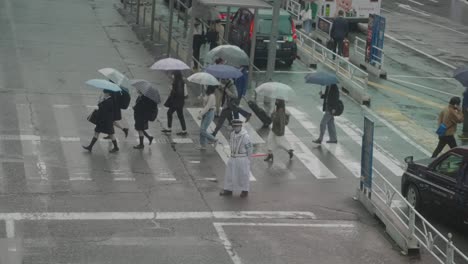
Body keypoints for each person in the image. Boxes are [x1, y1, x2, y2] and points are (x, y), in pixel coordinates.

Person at [220, 119, 252, 198]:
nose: (235, 128)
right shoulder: (232, 134)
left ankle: (245, 190)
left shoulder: (246, 136)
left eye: (237, 126)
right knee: (229, 174)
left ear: (240, 126)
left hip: (242, 157)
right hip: (233, 157)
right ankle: (228, 189)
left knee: (243, 175)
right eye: (234, 126)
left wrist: (248, 159)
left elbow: (250, 149)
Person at [162, 70, 187, 135]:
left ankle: (169, 128)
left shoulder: (178, 82)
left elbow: (178, 93)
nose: (172, 76)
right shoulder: (180, 82)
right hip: (180, 102)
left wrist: (171, 89)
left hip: (176, 102)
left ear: (176, 75)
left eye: (173, 74)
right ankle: (184, 130)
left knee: (169, 113)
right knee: (180, 116)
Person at [197, 86, 218, 150]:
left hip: (209, 113)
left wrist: (201, 114)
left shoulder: (212, 96)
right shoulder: (207, 94)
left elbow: (208, 107)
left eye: (206, 86)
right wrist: (202, 98)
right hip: (206, 113)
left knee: (202, 130)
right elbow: (205, 105)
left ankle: (214, 139)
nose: (205, 87)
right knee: (202, 129)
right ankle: (203, 145)